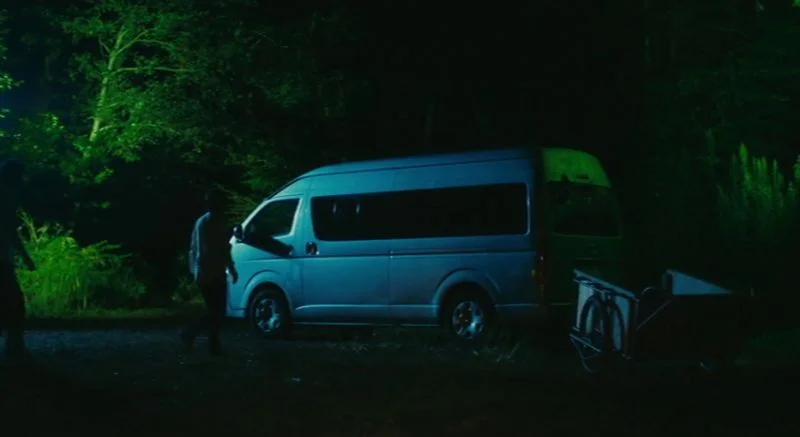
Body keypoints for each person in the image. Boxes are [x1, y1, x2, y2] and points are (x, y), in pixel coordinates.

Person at [181, 190, 238, 356]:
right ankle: (203, 339)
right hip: (209, 272)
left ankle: (203, 338)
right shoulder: (208, 222)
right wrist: (228, 268)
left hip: (211, 271)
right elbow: (206, 250)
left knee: (216, 310)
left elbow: (219, 248)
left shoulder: (210, 221)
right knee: (216, 310)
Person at [0, 158, 36, 362]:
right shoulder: (5, 200)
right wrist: (25, 257)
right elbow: (10, 232)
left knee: (10, 303)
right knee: (15, 304)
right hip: (1, 261)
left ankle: (14, 347)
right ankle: (14, 349)